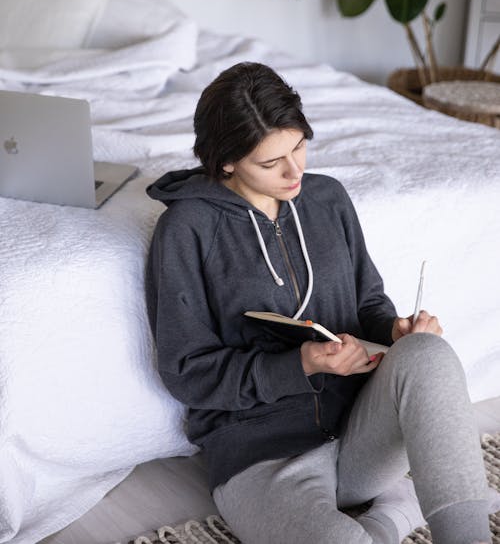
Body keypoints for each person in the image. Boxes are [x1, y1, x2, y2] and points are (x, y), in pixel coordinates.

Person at [145, 62, 497, 544]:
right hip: (261, 457)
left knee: (428, 354)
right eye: (271, 163)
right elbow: (186, 370)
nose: (296, 171)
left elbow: (369, 302)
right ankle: (392, 513)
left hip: (358, 435)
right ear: (226, 161)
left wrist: (394, 330)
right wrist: (302, 365)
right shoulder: (186, 230)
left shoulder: (328, 198)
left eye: (299, 146)